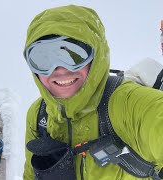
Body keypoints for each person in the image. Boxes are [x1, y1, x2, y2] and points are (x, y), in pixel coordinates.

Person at [22, 5, 163, 180]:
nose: (59, 69)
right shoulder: (38, 115)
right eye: (43, 58)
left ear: (96, 57)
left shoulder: (130, 105)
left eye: (74, 55)